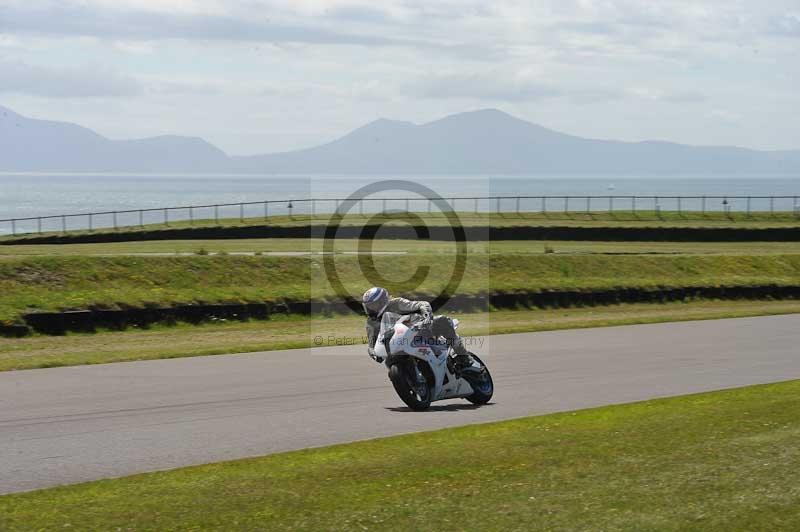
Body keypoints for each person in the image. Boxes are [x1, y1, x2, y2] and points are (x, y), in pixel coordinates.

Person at [362, 286, 469, 363]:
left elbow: (421, 304)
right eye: (369, 307)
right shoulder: (371, 323)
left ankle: (464, 357)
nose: (371, 309)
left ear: (382, 301)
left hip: (420, 329)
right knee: (389, 362)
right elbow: (372, 343)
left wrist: (426, 316)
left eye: (374, 305)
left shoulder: (396, 304)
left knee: (442, 320)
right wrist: (374, 353)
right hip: (398, 345)